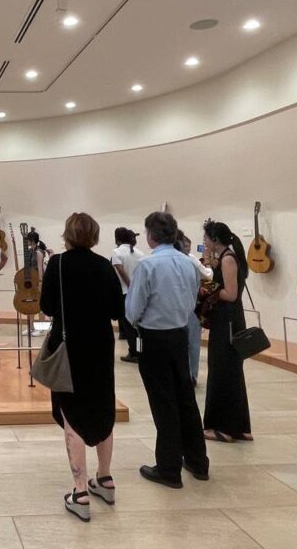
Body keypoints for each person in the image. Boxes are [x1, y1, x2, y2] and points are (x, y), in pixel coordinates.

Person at [40, 213, 123, 522]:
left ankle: (80, 491)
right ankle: (105, 478)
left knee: (71, 411)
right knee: (103, 405)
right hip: (100, 345)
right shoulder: (104, 265)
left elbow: (46, 306)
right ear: (94, 235)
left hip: (68, 346)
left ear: (67, 235)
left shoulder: (58, 265)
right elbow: (117, 310)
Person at [126, 211, 209, 488]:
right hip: (180, 335)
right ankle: (198, 461)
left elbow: (133, 309)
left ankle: (168, 468)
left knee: (163, 403)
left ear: (150, 236)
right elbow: (191, 300)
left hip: (154, 338)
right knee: (185, 399)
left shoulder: (148, 266)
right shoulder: (188, 263)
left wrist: (138, 320)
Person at [201, 219, 253, 443]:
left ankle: (225, 428)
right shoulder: (226, 257)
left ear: (214, 240)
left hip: (228, 322)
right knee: (230, 372)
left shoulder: (228, 259)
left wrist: (206, 286)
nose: (203, 241)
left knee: (223, 372)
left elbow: (230, 294)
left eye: (205, 238)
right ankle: (239, 426)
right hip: (228, 320)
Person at [177, 230, 213, 385]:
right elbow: (208, 275)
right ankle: (187, 375)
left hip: (187, 308)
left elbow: (207, 276)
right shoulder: (187, 260)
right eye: (184, 245)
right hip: (185, 308)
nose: (187, 249)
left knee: (191, 343)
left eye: (189, 246)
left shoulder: (190, 259)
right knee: (187, 344)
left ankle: (190, 375)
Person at [111, 228, 144, 363]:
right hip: (139, 292)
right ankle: (140, 351)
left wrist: (129, 285)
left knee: (128, 326)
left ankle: (133, 352)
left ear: (117, 239)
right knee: (138, 325)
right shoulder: (140, 253)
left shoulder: (116, 252)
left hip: (124, 292)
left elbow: (120, 271)